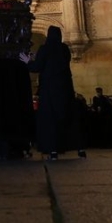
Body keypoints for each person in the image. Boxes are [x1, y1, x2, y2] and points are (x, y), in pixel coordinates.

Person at [19, 26, 86, 160]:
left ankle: (53, 151)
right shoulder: (65, 49)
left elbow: (37, 67)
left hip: (50, 90)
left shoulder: (45, 49)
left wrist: (28, 61)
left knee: (51, 120)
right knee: (68, 118)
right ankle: (80, 149)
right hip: (66, 89)